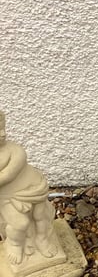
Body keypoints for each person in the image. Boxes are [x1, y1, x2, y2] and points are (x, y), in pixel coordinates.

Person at [0, 112, 58, 265]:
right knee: (20, 223)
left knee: (41, 216)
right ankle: (15, 244)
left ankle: (42, 239)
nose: (3, 133)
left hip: (34, 187)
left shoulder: (15, 150)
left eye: (3, 128)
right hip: (6, 197)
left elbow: (8, 175)